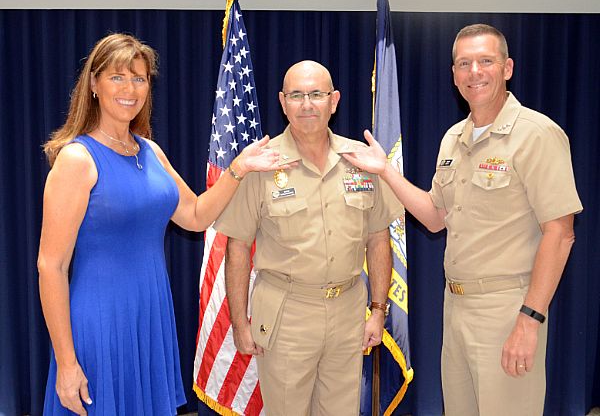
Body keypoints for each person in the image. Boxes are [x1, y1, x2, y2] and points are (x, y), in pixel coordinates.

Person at [37, 33, 285, 415]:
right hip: (100, 322)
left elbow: (197, 216)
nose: (130, 88)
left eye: (139, 78)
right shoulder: (77, 159)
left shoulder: (150, 152)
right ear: (94, 85)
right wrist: (67, 363)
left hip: (150, 318)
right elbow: (50, 266)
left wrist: (238, 168)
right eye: (117, 77)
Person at [344, 24, 583, 415]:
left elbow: (561, 233)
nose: (475, 72)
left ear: (507, 68)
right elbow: (436, 218)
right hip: (456, 308)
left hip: (508, 308)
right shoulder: (454, 137)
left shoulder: (537, 134)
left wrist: (529, 319)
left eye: (485, 61)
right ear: (454, 75)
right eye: (464, 63)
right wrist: (386, 170)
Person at [214, 60, 400, 415]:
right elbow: (237, 247)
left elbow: (378, 239)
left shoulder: (361, 160)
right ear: (283, 103)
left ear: (334, 100)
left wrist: (378, 311)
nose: (307, 104)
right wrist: (240, 323)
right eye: (297, 95)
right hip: (287, 312)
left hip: (347, 311)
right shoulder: (261, 164)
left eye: (317, 94)